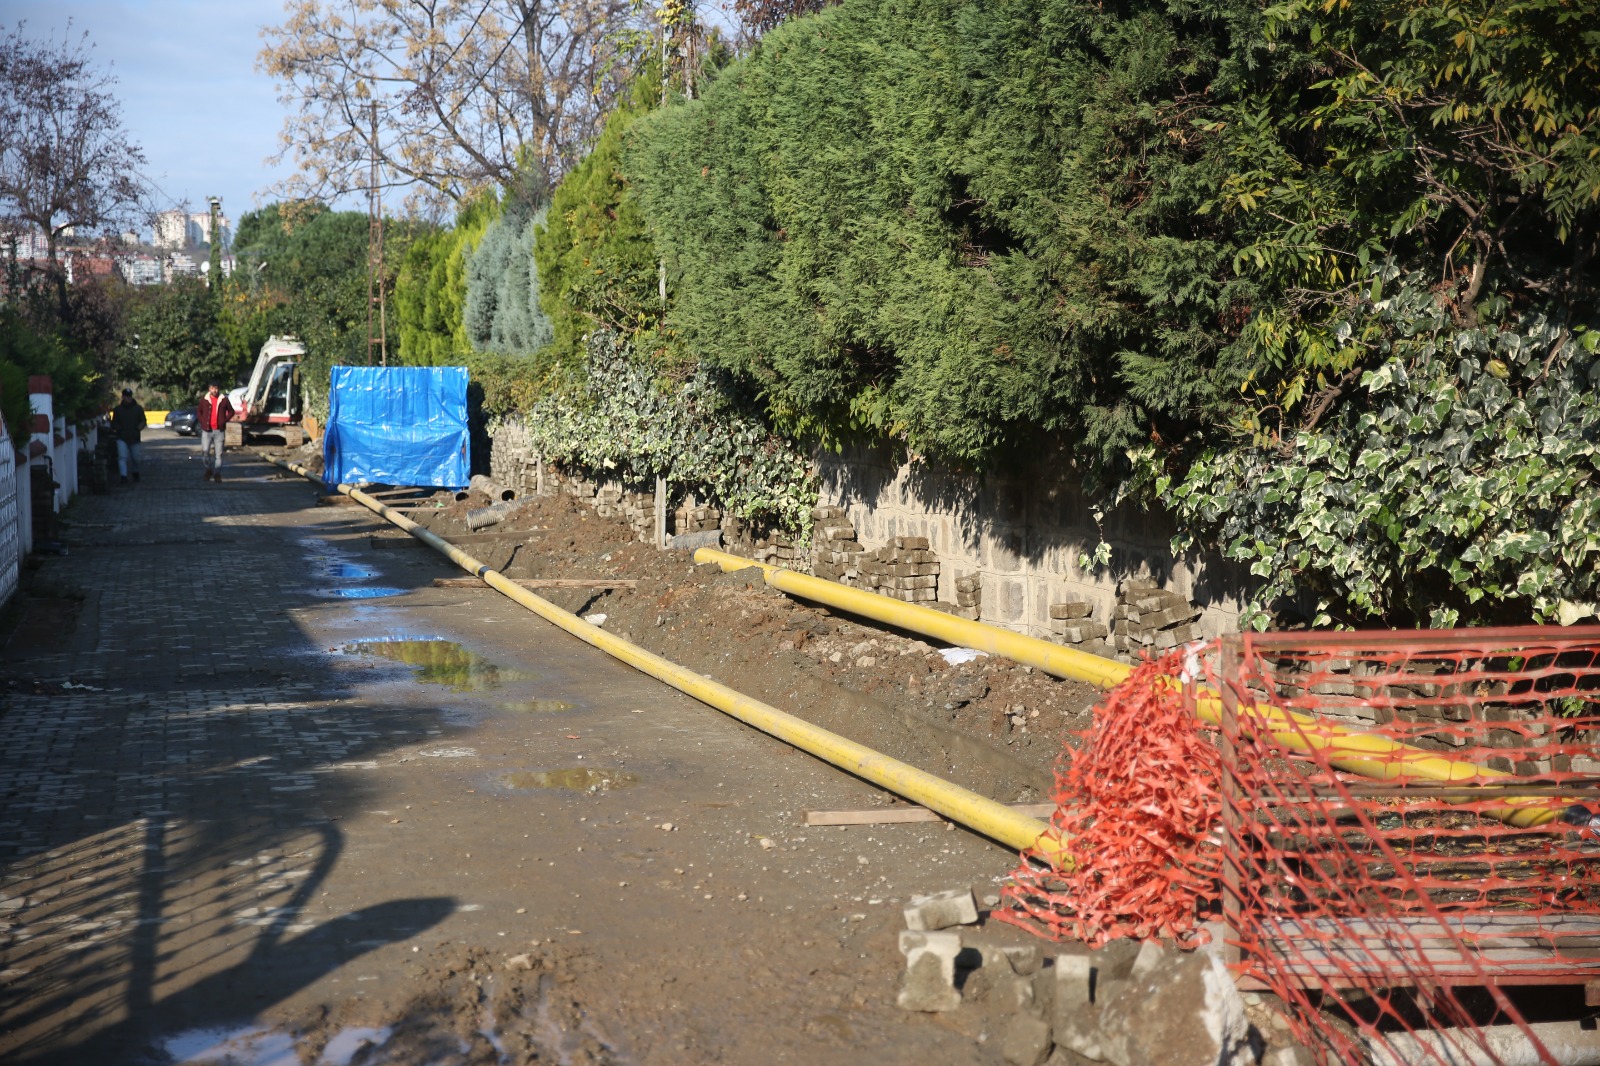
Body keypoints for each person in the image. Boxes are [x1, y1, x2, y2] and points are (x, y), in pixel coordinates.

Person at [196, 382, 234, 482]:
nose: (214, 390)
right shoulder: (204, 400)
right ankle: (208, 469)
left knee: (219, 454)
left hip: (219, 431)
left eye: (216, 388)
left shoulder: (224, 400)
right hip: (206, 431)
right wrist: (202, 421)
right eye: (212, 388)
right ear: (209, 389)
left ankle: (217, 474)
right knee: (205, 452)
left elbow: (231, 411)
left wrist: (224, 420)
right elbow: (199, 411)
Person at [109, 388, 146, 485]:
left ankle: (135, 472)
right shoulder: (118, 410)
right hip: (121, 437)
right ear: (123, 397)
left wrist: (138, 429)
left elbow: (143, 421)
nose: (128, 398)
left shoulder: (138, 409)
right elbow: (114, 422)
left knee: (136, 458)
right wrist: (118, 429)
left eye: (129, 396)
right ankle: (123, 476)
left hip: (134, 437)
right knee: (122, 457)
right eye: (126, 396)